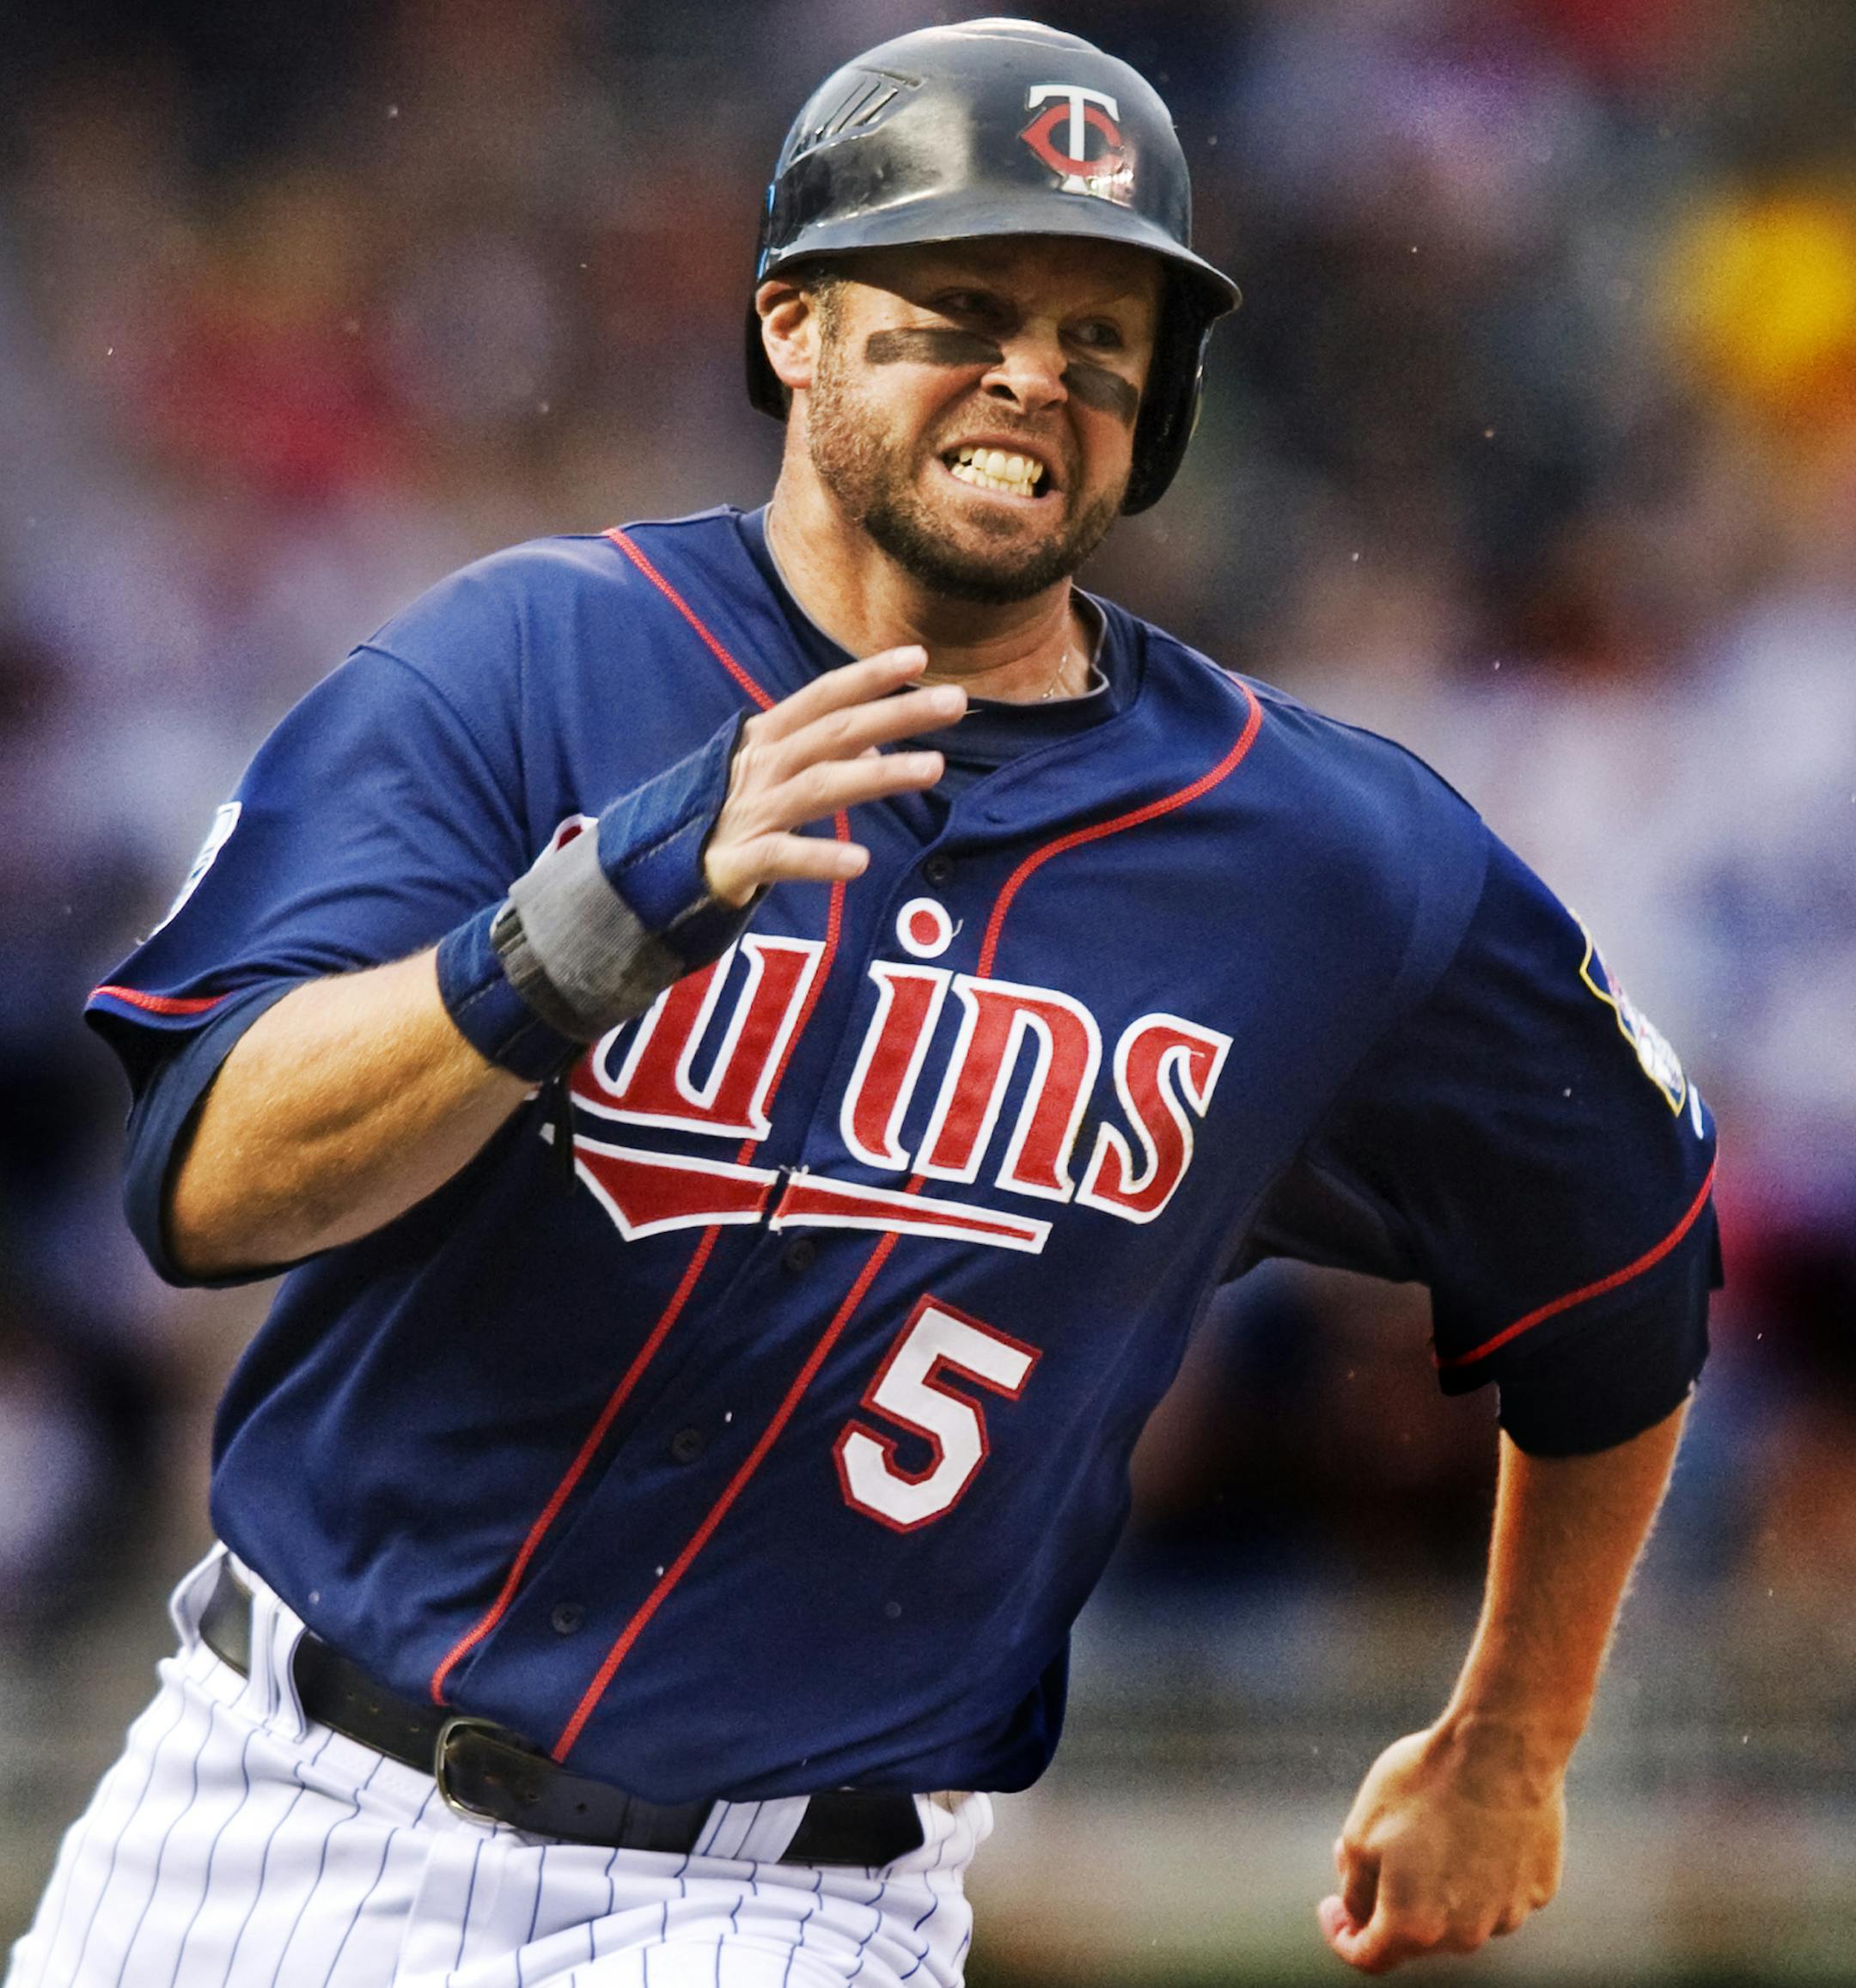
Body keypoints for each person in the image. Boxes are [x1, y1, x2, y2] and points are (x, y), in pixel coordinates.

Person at [10, 20, 1719, 1987]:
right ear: (795, 325)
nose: (1036, 374)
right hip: (259, 1796)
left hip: (774, 1901)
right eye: (965, 306)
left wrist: (1515, 1731)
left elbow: (1627, 1255)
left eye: (1102, 334)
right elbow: (209, 1181)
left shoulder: (1328, 860)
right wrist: (581, 925)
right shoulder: (525, 665)